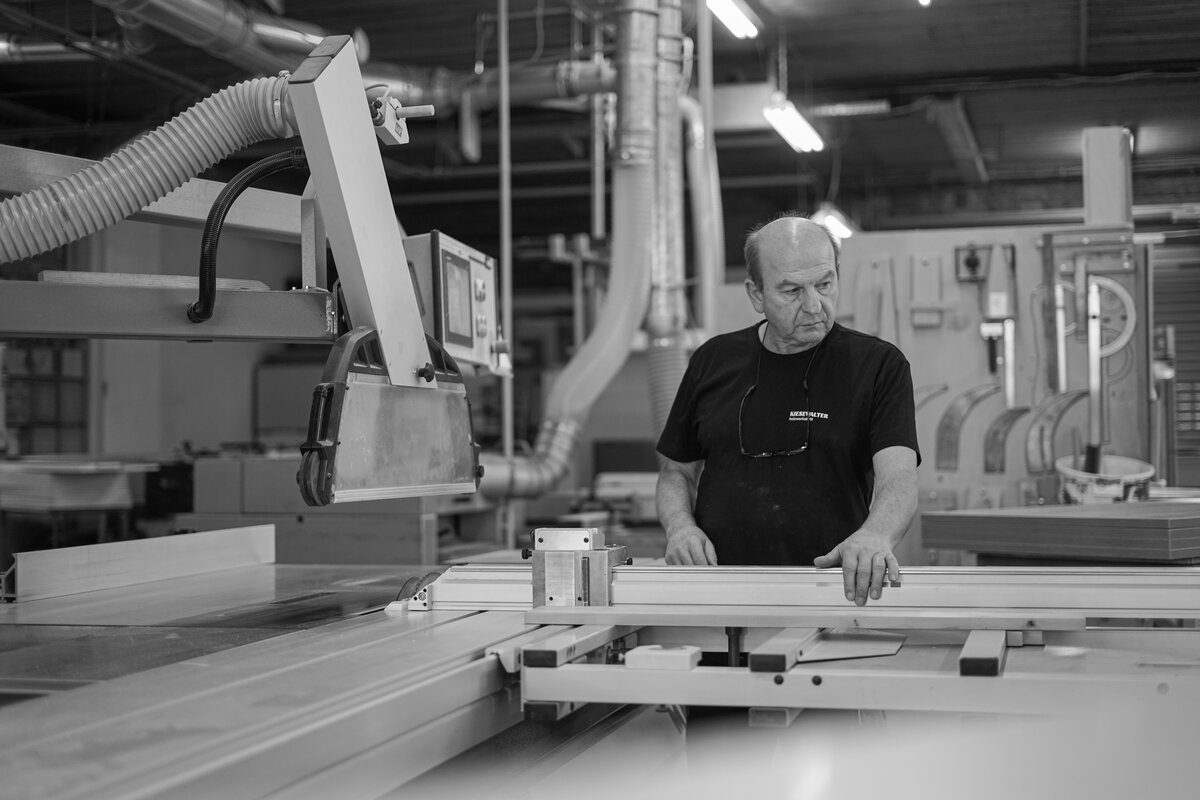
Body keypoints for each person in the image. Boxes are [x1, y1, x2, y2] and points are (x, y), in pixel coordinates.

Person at [655, 214, 920, 605]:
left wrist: (876, 535)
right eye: (792, 291)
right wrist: (680, 528)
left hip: (833, 592)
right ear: (756, 294)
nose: (814, 306)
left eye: (824, 284)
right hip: (717, 593)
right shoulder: (712, 360)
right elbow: (675, 471)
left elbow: (899, 476)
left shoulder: (878, 365)